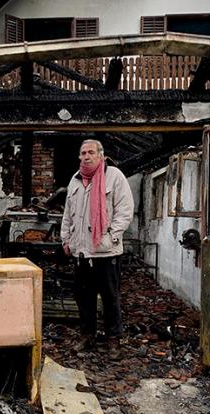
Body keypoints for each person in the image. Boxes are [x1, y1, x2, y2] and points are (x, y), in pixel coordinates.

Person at [60, 139, 134, 360]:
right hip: (82, 252)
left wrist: (112, 236)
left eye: (91, 152)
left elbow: (125, 210)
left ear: (101, 155)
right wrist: (66, 240)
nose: (86, 156)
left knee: (110, 299)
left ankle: (113, 341)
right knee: (84, 298)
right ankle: (87, 336)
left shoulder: (115, 176)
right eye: (82, 153)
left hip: (106, 253)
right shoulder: (75, 181)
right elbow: (68, 215)